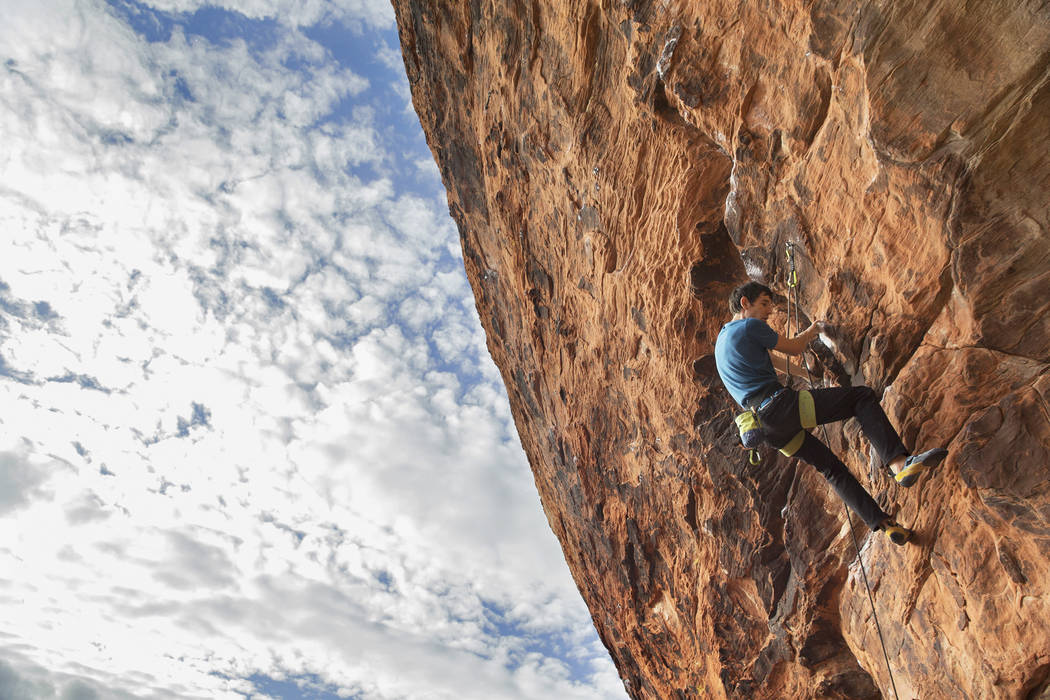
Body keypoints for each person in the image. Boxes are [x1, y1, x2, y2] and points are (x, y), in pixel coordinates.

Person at [714, 281, 947, 544]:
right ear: (745, 303)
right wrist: (812, 331)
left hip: (766, 429)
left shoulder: (722, 343)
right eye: (764, 304)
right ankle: (899, 464)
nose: (769, 311)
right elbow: (794, 348)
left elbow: (770, 360)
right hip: (782, 406)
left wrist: (804, 373)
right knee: (862, 398)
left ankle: (884, 524)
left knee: (830, 468)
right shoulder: (749, 326)